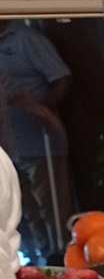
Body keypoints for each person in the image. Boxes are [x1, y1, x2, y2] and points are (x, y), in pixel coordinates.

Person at [0, 18, 72, 264]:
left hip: (40, 141)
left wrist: (42, 110)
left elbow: (62, 77)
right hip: (9, 145)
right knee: (23, 209)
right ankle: (41, 260)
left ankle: (62, 258)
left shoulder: (26, 39)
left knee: (52, 207)